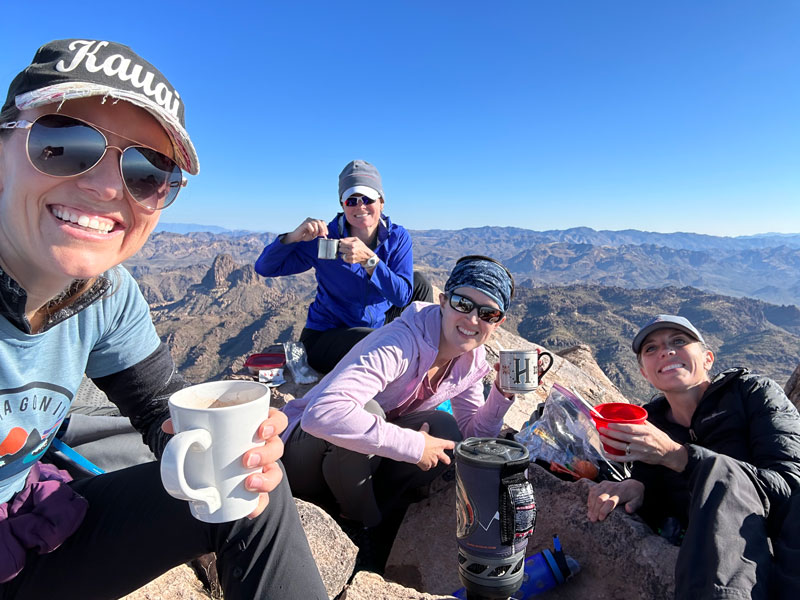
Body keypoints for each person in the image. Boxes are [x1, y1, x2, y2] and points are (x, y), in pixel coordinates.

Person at [0, 39, 326, 599]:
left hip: (23, 523)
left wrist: (232, 446)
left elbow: (159, 410)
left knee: (246, 486)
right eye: (62, 142)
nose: (107, 187)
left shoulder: (106, 294)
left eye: (149, 170)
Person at [281, 256, 523, 536]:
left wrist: (501, 395)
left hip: (359, 466)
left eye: (487, 314)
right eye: (463, 304)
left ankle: (378, 508)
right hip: (304, 458)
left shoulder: (469, 358)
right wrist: (414, 445)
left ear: (499, 322)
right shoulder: (401, 342)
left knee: (445, 429)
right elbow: (322, 414)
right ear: (443, 301)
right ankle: (362, 528)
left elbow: (472, 434)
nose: (472, 319)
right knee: (366, 411)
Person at [586, 314, 800, 599]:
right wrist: (636, 489)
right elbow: (663, 505)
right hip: (715, 560)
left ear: (708, 358)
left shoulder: (752, 394)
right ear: (644, 374)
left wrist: (679, 456)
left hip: (780, 543)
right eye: (651, 349)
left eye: (679, 341)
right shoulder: (654, 424)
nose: (665, 350)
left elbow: (790, 487)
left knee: (726, 482)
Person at [254, 159, 433, 374]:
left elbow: (402, 297)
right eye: (351, 201)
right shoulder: (324, 238)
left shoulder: (397, 237)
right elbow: (265, 268)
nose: (360, 206)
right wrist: (292, 238)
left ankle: (425, 354)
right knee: (381, 342)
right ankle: (405, 357)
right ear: (342, 205)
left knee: (420, 283)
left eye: (367, 198)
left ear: (382, 201)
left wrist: (370, 261)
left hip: (375, 325)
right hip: (327, 336)